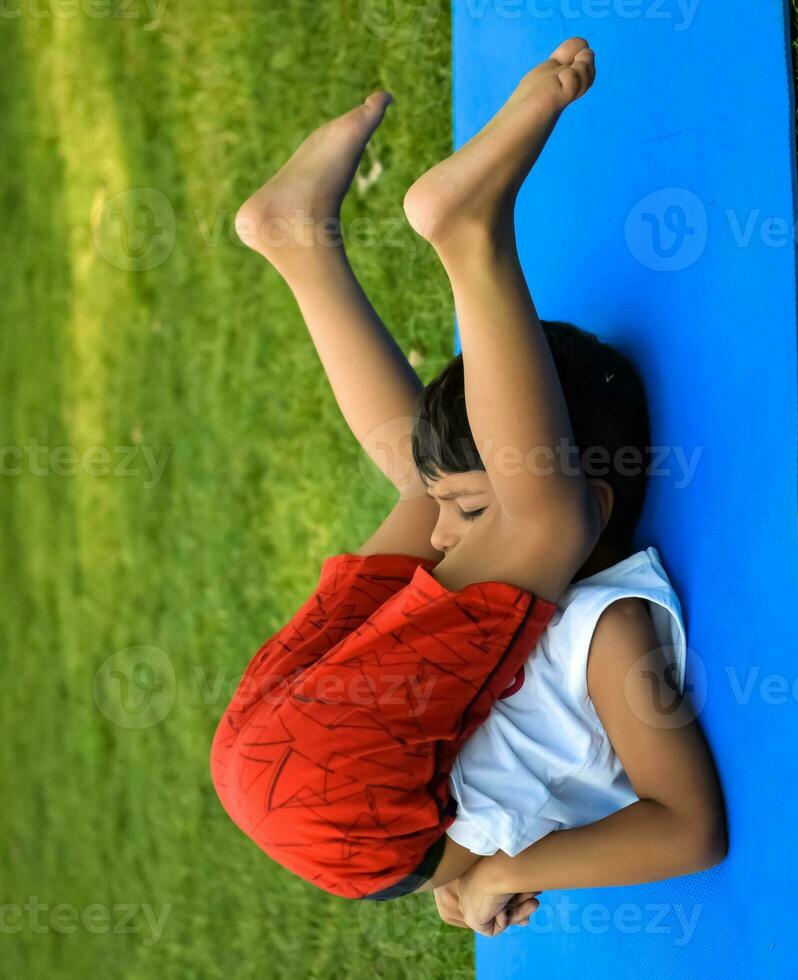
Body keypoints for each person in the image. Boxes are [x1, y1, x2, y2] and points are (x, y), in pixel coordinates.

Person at [210, 37, 726, 937]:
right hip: (322, 784)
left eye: (468, 514)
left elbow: (638, 819)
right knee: (500, 500)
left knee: (430, 479)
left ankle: (302, 249)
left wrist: (480, 871)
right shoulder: (598, 623)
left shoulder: (603, 628)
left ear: (601, 498)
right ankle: (470, 238)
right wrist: (508, 871)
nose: (440, 541)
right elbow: (689, 830)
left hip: (291, 741)